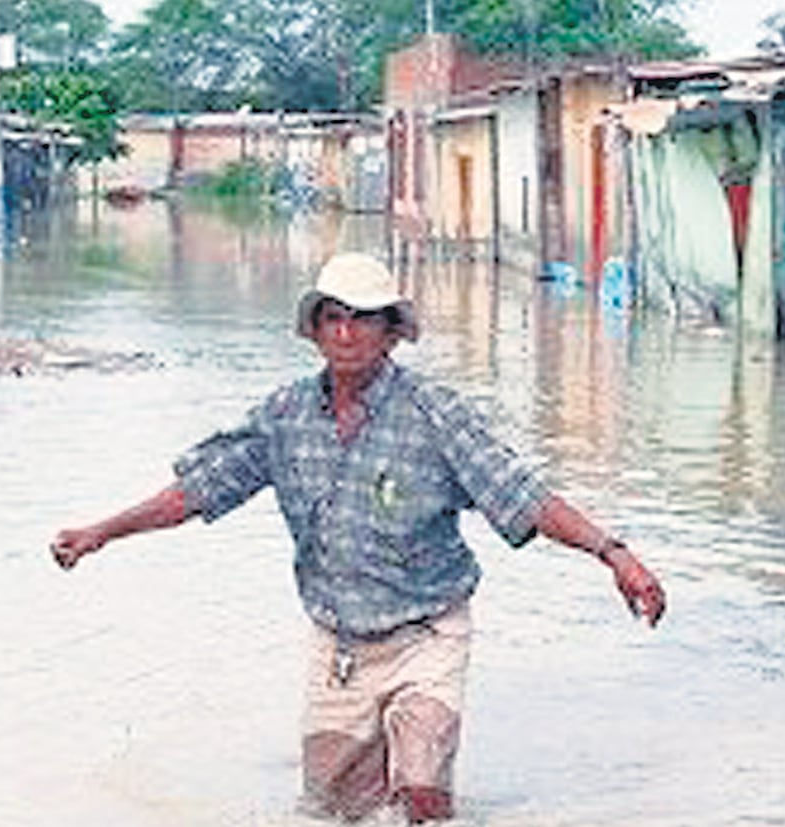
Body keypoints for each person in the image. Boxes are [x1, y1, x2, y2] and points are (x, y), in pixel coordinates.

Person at [50, 252, 667, 824]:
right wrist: (102, 532)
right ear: (315, 331)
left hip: (428, 631)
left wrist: (612, 553)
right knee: (331, 808)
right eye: (333, 319)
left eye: (363, 320)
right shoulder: (284, 416)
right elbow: (195, 493)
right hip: (338, 643)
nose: (346, 334)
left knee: (422, 792)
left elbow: (523, 495)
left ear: (392, 333)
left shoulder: (434, 414)